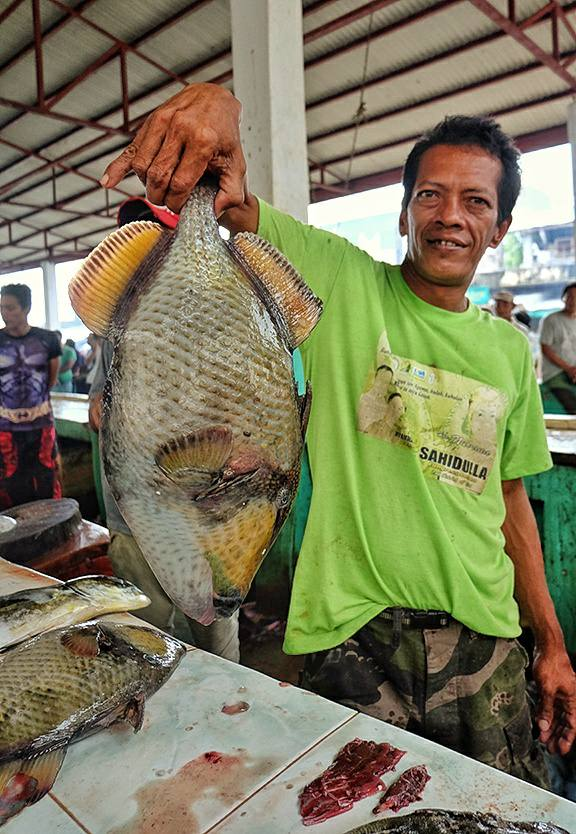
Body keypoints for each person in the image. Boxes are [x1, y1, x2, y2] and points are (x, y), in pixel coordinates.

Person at [100, 83, 576, 784]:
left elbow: (511, 503)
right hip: (354, 639)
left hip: (486, 640)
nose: (450, 217)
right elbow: (235, 202)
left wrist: (553, 642)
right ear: (405, 212)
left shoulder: (511, 350)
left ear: (501, 226)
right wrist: (221, 103)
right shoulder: (344, 284)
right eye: (430, 196)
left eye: (476, 201)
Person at [87, 196, 240, 663]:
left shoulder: (217, 321)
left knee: (215, 631)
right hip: (134, 513)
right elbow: (97, 407)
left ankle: (232, 714)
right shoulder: (118, 323)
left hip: (204, 517)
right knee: (150, 633)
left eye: (153, 239)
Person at [0, 284, 62, 509]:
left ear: (26, 308)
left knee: (47, 476)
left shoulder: (47, 340)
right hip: (6, 428)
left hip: (42, 425)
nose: (4, 313)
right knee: (10, 481)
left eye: (10, 308)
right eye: (1, 308)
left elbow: (51, 379)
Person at [540, 283, 576, 413]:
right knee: (572, 406)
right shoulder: (551, 320)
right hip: (555, 374)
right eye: (570, 297)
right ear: (564, 298)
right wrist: (569, 369)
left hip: (573, 372)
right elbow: (546, 348)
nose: (573, 301)